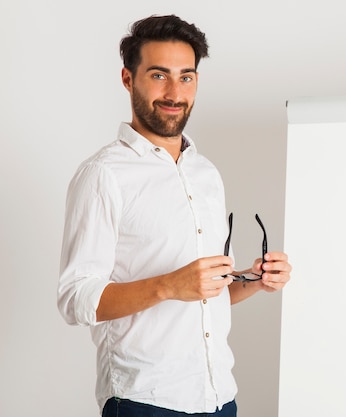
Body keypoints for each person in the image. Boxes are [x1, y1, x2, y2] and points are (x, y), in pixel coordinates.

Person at [57, 14, 292, 417]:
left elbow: (201, 297)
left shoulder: (206, 173)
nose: (174, 91)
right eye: (158, 75)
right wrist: (169, 284)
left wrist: (254, 281)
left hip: (219, 397)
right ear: (128, 80)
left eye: (186, 77)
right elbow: (76, 298)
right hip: (144, 401)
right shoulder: (103, 175)